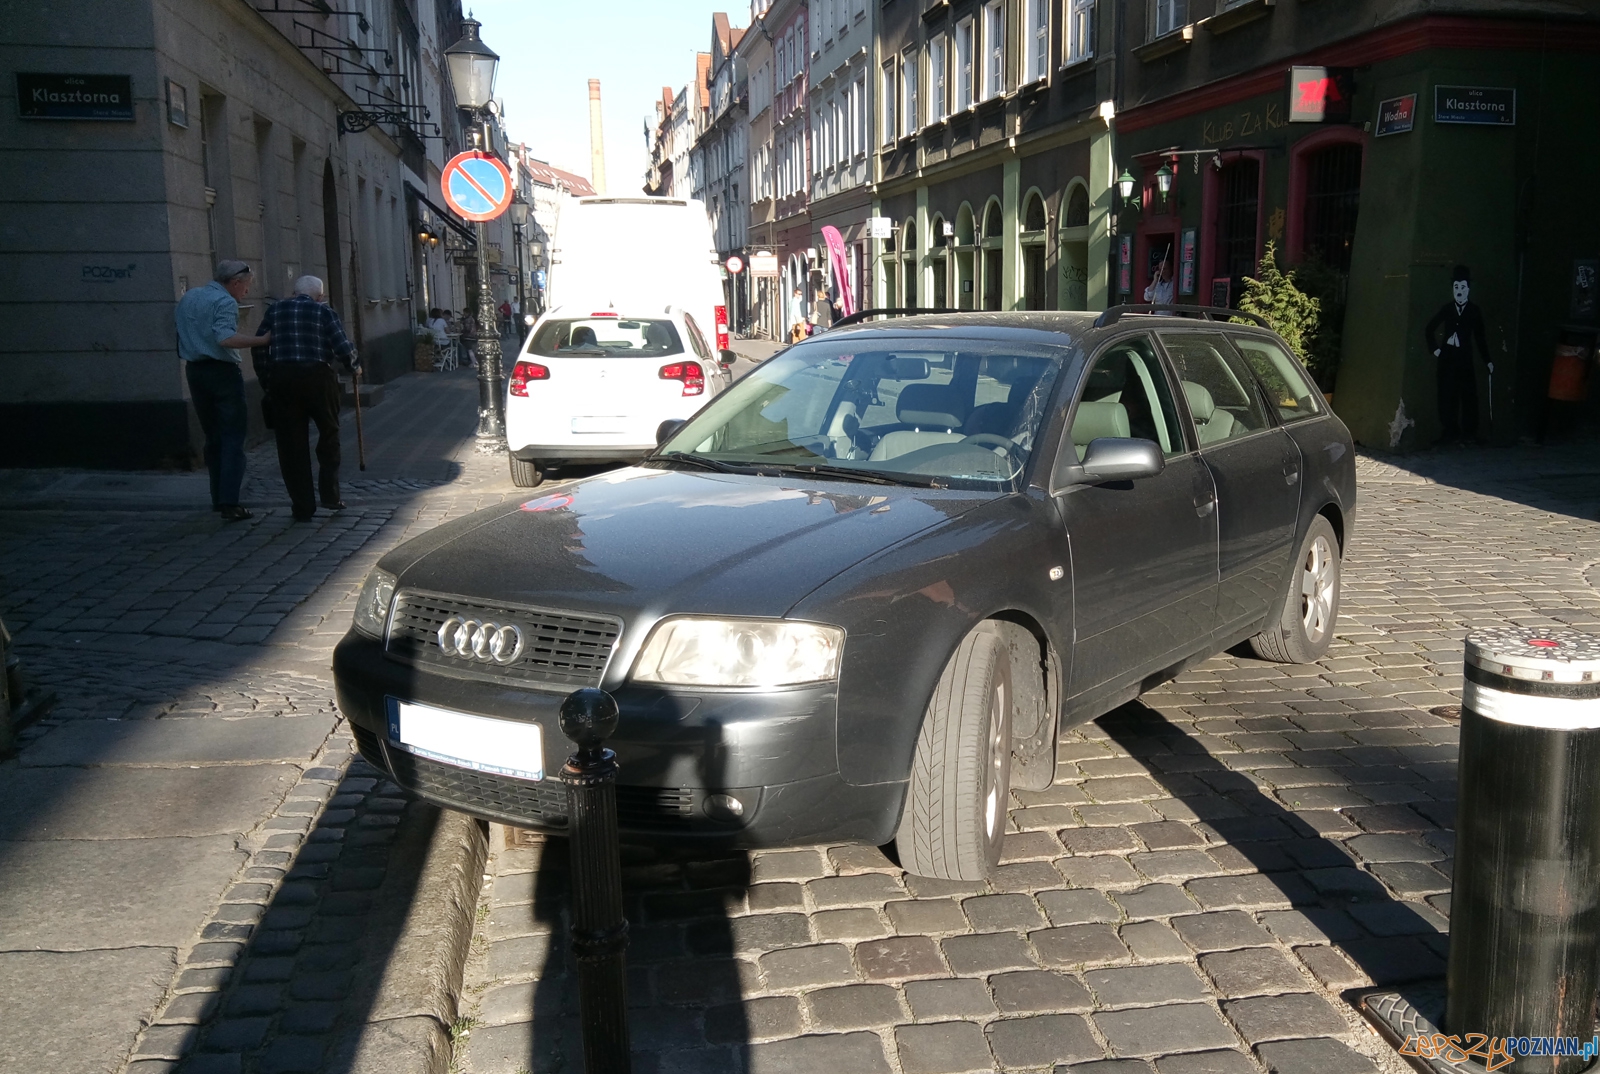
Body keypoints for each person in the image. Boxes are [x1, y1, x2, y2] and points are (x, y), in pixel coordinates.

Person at [253, 275, 359, 521]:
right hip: (318, 377)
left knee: (291, 444)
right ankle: (330, 496)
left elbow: (259, 344)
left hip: (283, 378)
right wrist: (355, 366)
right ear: (320, 295)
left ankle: (302, 506)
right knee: (329, 434)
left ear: (293, 292)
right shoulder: (324, 311)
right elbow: (341, 345)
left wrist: (266, 378)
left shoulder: (276, 309)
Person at [174, 260, 271, 521]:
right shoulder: (226, 302)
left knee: (213, 437)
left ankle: (218, 497)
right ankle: (230, 501)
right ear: (235, 282)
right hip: (222, 373)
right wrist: (261, 340)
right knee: (232, 436)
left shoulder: (190, 296)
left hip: (195, 371)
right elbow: (225, 338)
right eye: (246, 286)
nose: (246, 293)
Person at [1425, 265, 1491, 444]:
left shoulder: (1473, 311)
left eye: (1463, 287)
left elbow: (1480, 337)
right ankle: (1449, 430)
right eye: (1456, 287)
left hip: (1464, 357)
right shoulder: (1447, 309)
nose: (1459, 291)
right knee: (1447, 394)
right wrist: (1437, 350)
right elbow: (1429, 329)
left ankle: (1469, 432)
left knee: (1468, 394)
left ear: (1468, 289)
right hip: (1447, 356)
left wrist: (1488, 361)